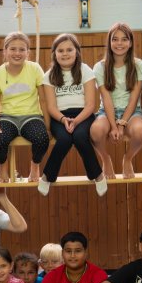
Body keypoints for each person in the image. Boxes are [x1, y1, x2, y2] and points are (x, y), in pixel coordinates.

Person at [39, 33, 106, 196]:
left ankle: (96, 174)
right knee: (64, 139)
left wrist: (76, 121)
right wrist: (63, 119)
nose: (65, 53)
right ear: (54, 53)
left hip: (83, 114)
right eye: (60, 50)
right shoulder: (48, 75)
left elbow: (91, 104)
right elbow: (51, 106)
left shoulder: (85, 70)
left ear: (77, 52)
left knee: (80, 137)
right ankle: (48, 175)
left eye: (69, 49)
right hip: (59, 116)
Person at [0, 32, 49, 183]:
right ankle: (3, 166)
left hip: (31, 116)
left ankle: (35, 165)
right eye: (13, 49)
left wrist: (47, 124)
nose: (17, 53)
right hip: (7, 117)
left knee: (41, 138)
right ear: (5, 51)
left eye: (22, 49)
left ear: (28, 53)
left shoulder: (34, 69)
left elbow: (43, 99)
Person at [90, 22, 142, 179]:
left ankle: (128, 158)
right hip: (107, 111)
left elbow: (135, 96)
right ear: (109, 42)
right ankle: (105, 158)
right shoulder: (100, 67)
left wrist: (122, 123)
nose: (119, 43)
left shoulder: (138, 65)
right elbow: (106, 98)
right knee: (95, 131)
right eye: (115, 39)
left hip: (132, 111)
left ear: (130, 43)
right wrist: (113, 125)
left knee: (141, 131)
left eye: (124, 39)